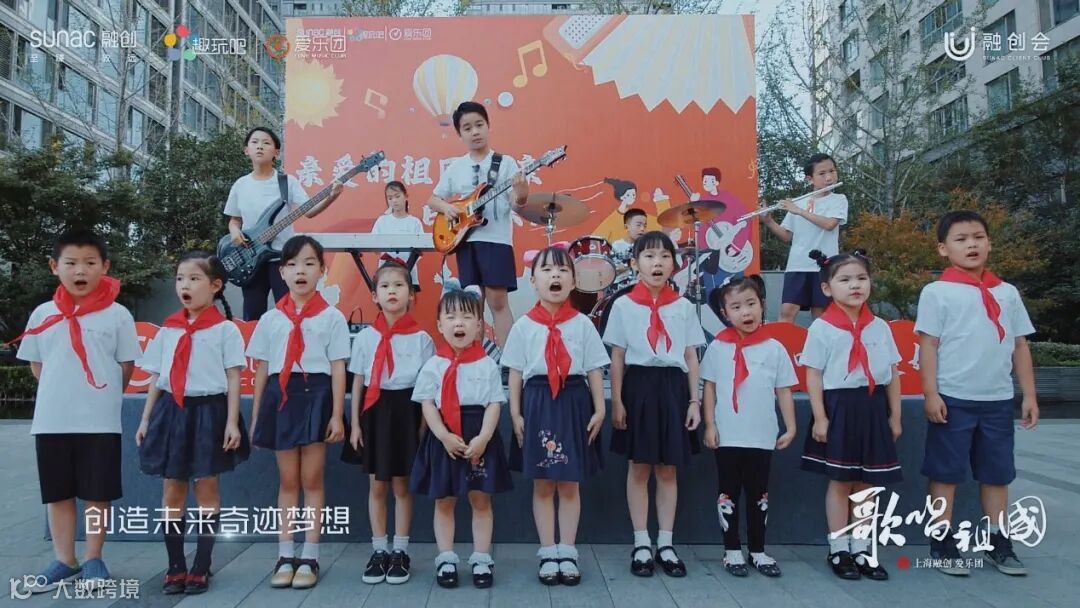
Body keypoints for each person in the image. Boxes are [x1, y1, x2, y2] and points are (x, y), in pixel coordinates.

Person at [12, 227, 141, 594]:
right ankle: (64, 559)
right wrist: (61, 392)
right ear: (54, 266)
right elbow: (37, 365)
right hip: (52, 420)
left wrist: (100, 396)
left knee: (97, 493)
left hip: (99, 421)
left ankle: (94, 557)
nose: (80, 270)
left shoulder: (117, 315)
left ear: (105, 267)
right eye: (70, 263)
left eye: (89, 263)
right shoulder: (43, 313)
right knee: (58, 493)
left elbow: (126, 365)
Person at [916, 210, 1038, 577]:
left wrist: (1029, 395)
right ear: (943, 248)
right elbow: (928, 345)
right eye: (961, 239)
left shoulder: (1007, 292)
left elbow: (1020, 345)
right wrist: (930, 393)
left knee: (997, 473)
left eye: (978, 237)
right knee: (946, 473)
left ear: (989, 243)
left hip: (997, 400)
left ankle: (998, 541)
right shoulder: (937, 292)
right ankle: (942, 542)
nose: (972, 244)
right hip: (953, 398)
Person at [135, 251, 250, 595]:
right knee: (172, 489)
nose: (185, 285)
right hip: (171, 411)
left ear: (215, 286)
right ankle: (175, 566)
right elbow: (156, 379)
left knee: (206, 487)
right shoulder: (167, 330)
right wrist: (145, 419)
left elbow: (233, 378)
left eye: (195, 279)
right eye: (180, 279)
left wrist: (232, 422)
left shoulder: (225, 330)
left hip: (209, 412)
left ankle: (201, 565)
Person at [247, 235, 350, 590]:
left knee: (312, 479)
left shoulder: (332, 317)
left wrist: (336, 414)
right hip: (282, 398)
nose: (300, 271)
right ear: (282, 272)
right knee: (288, 480)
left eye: (309, 263)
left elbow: (338, 367)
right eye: (292, 264)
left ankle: (310, 555)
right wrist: (257, 417)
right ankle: (284, 554)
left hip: (317, 396)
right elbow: (262, 370)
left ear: (322, 270)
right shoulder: (270, 319)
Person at [503, 247, 609, 586]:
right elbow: (515, 372)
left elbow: (594, 368)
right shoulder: (523, 326)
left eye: (563, 271)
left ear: (573, 281)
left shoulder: (582, 324)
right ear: (533, 281)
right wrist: (515, 413)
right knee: (543, 481)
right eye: (547, 270)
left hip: (574, 403)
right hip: (537, 403)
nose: (555, 276)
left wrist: (600, 408)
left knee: (570, 482)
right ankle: (548, 551)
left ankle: (568, 550)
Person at [603, 230, 705, 578]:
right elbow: (618, 357)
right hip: (639, 387)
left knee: (667, 468)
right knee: (639, 466)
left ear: (674, 265)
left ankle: (666, 542)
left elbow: (690, 355)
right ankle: (641, 542)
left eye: (664, 256)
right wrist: (617, 401)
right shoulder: (623, 305)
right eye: (649, 256)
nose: (657, 263)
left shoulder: (684, 307)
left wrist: (695, 400)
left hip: (674, 388)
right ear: (634, 263)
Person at [800, 249, 902, 582]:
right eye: (845, 280)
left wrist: (895, 417)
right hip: (839, 407)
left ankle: (862, 548)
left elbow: (892, 373)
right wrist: (820, 417)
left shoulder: (880, 328)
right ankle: (839, 548)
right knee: (841, 480)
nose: (855, 285)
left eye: (861, 278)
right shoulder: (822, 328)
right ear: (827, 288)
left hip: (873, 406)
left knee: (867, 483)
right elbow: (813, 374)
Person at [409, 289, 513, 589]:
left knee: (481, 499)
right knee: (444, 501)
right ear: (440, 325)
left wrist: (484, 437)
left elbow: (494, 403)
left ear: (479, 325)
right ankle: (446, 559)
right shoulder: (433, 365)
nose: (459, 323)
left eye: (467, 317)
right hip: (445, 439)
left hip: (479, 436)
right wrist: (442, 435)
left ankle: (481, 558)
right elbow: (428, 404)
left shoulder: (487, 363)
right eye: (451, 316)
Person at [341, 262, 434, 585]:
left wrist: (423, 427)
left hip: (408, 411)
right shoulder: (366, 338)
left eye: (399, 285)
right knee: (377, 485)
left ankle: (400, 550)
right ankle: (379, 549)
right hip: (374, 411)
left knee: (402, 485)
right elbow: (357, 382)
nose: (392, 291)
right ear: (374, 296)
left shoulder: (422, 338)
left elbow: (427, 387)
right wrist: (355, 424)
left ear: (411, 294)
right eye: (384, 286)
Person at [701, 275, 797, 578]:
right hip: (728, 435)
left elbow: (784, 390)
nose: (746, 312)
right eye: (736, 307)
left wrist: (790, 426)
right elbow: (710, 389)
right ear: (725, 313)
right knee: (728, 493)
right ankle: (731, 550)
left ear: (762, 305)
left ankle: (758, 550)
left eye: (751, 304)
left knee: (759, 494)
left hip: (761, 435)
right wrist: (709, 425)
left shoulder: (775, 348)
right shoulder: (718, 347)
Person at [426, 101, 529, 350]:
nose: (475, 132)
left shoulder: (506, 163)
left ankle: (509, 361)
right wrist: (447, 209)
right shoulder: (456, 167)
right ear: (460, 134)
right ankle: (474, 359)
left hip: (497, 240)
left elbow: (516, 205)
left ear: (488, 126)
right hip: (466, 241)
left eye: (479, 125)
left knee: (498, 301)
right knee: (473, 304)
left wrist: (522, 193)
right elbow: (432, 200)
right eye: (467, 128)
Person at [224, 126, 343, 321]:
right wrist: (235, 232)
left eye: (266, 143)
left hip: (282, 258)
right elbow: (234, 219)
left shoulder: (287, 182)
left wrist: (332, 197)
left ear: (276, 153)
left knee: (288, 312)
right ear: (246, 150)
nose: (260, 146)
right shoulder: (241, 184)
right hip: (250, 259)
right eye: (255, 142)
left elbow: (309, 211)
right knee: (252, 314)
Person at [760, 153, 848, 323]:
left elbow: (829, 224)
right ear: (810, 179)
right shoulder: (799, 202)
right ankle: (783, 342)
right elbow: (786, 236)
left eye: (832, 171)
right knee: (786, 312)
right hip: (797, 264)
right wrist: (768, 221)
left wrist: (799, 211)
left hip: (824, 266)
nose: (829, 177)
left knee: (821, 315)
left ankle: (819, 342)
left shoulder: (839, 200)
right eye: (822, 173)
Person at [372, 181, 425, 289]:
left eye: (397, 196)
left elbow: (420, 250)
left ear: (406, 196)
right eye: (390, 198)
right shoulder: (382, 221)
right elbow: (374, 248)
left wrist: (404, 265)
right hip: (385, 273)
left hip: (408, 272)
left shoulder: (414, 222)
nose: (394, 201)